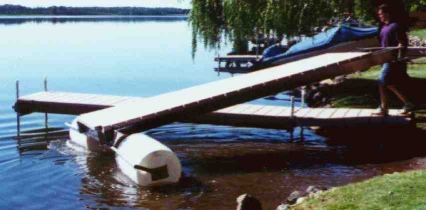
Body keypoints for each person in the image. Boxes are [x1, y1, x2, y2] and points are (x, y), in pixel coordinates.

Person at [373, 4, 416, 116]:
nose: (379, 16)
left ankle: (383, 108)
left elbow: (402, 43)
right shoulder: (383, 28)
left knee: (381, 80)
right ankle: (408, 104)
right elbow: (383, 44)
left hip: (392, 60)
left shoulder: (396, 27)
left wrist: (399, 58)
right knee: (389, 84)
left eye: (381, 14)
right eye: (379, 14)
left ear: (387, 13)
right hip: (384, 59)